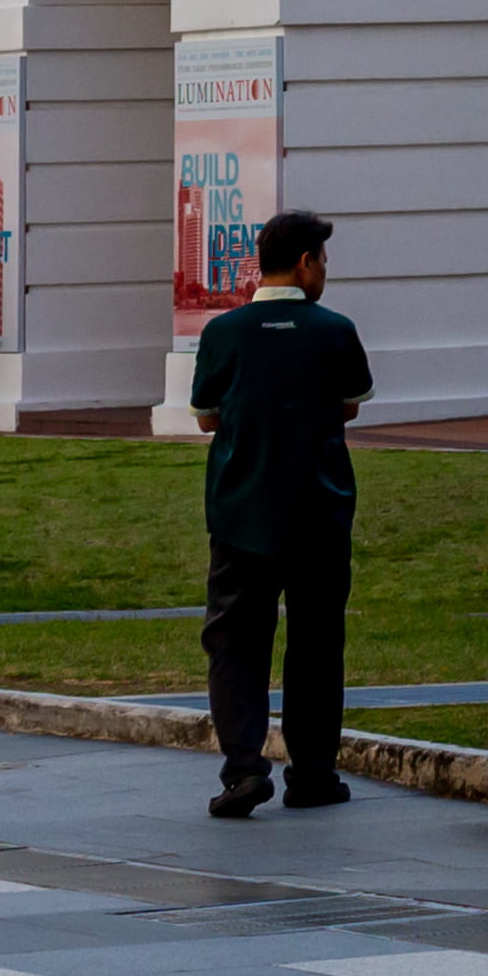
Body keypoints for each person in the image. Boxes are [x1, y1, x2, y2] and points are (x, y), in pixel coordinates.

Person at [191, 204, 372, 819]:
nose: (325, 270)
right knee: (317, 642)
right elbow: (349, 407)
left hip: (242, 512)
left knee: (236, 642)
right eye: (322, 259)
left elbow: (207, 416)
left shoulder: (223, 334)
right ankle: (314, 773)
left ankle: (244, 770)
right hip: (319, 511)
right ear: (304, 263)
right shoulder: (335, 330)